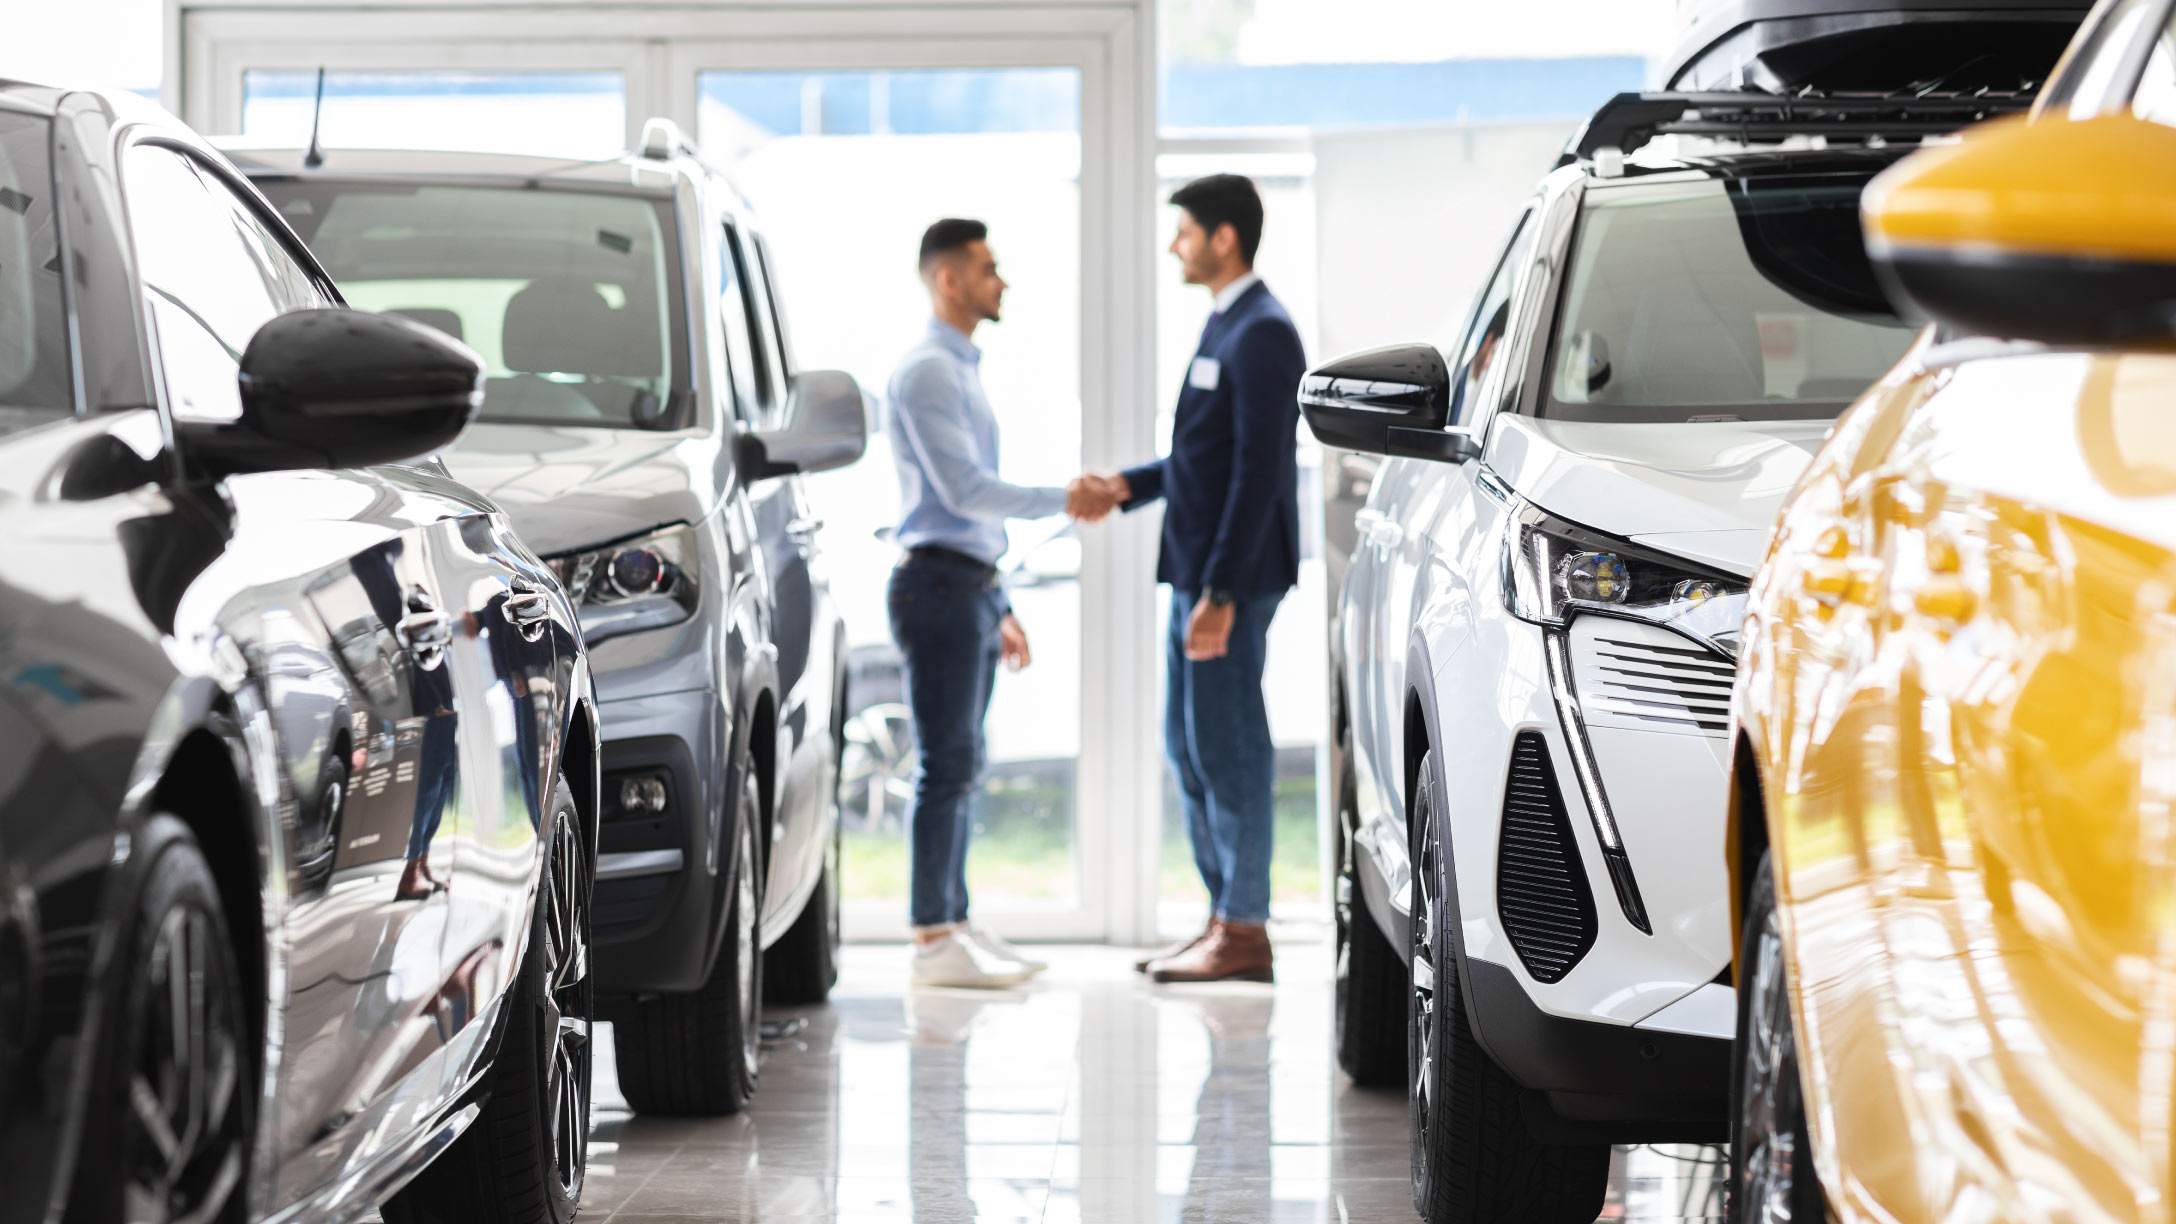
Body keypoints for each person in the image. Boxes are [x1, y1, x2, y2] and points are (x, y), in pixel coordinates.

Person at [1087, 174, 1306, 984]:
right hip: (1199, 573)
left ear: (1223, 237)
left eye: (1183, 232)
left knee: (1230, 749)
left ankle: (1244, 930)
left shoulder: (1263, 332)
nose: (1174, 245)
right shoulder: (1227, 323)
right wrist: (1127, 486)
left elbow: (1258, 473)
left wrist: (1217, 593)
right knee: (1189, 746)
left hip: (1230, 581)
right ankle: (1224, 918)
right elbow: (1201, 458)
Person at [887, 218, 1115, 988]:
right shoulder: (927, 372)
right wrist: (1065, 497)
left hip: (969, 586)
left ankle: (952, 922)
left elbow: (969, 512)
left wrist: (1002, 600)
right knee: (945, 765)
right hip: (939, 586)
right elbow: (964, 492)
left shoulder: (959, 369)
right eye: (988, 267)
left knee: (964, 762)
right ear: (948, 278)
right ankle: (931, 940)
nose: (1002, 280)